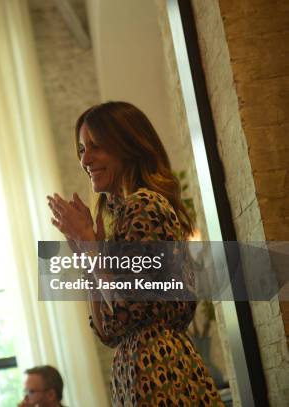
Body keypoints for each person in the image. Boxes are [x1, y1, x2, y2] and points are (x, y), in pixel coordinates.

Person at [47, 101, 222, 406]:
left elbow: (125, 304)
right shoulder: (124, 217)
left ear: (127, 146)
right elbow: (107, 333)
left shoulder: (144, 206)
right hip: (136, 372)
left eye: (95, 146)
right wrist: (88, 256)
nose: (85, 159)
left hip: (161, 371)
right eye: (81, 149)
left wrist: (90, 246)